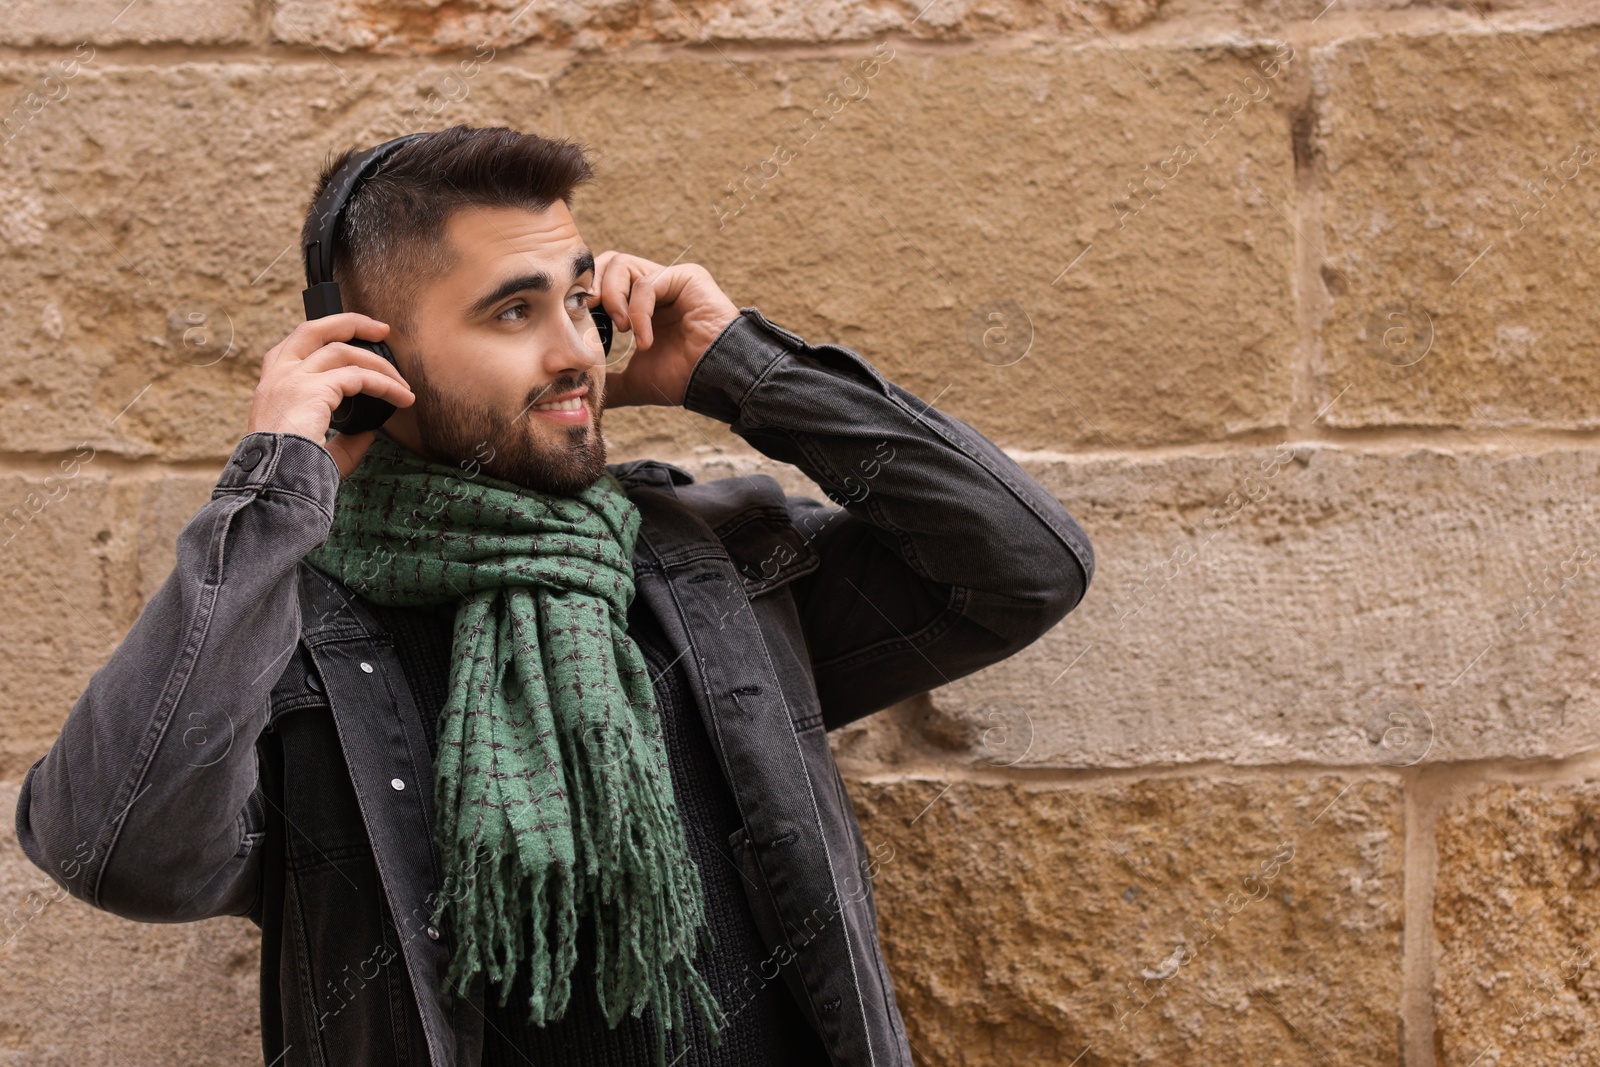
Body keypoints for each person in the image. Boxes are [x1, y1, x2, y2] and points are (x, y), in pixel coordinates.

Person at [14, 125, 1093, 1067]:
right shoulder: (290, 622)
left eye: (578, 298)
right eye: (514, 311)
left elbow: (1020, 568)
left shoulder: (707, 559)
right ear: (366, 356)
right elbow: (119, 847)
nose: (577, 347)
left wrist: (743, 367)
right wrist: (275, 486)